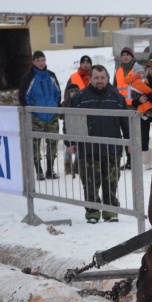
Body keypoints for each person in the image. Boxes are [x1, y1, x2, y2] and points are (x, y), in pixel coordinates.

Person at [64, 65, 130, 224]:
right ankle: (92, 212)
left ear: (107, 79)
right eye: (96, 78)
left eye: (102, 78)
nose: (99, 81)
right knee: (90, 182)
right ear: (90, 79)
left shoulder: (117, 97)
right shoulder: (79, 98)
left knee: (111, 181)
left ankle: (110, 211)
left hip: (112, 148)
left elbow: (126, 122)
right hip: (88, 149)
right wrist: (70, 142)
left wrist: (129, 141)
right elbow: (70, 122)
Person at [19, 50, 61, 180]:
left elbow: (58, 92)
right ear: (33, 62)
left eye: (43, 60)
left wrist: (55, 106)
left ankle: (50, 170)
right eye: (38, 60)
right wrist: (33, 111)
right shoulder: (28, 78)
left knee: (52, 143)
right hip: (37, 117)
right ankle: (39, 171)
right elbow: (23, 97)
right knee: (35, 144)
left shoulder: (51, 75)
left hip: (52, 116)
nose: (41, 63)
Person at [62, 55, 93, 175]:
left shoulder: (94, 76)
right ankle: (68, 166)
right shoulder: (73, 77)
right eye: (83, 62)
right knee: (70, 140)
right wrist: (67, 107)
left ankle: (80, 163)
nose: (85, 64)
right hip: (73, 112)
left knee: (84, 140)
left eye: (88, 62)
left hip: (87, 111)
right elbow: (66, 93)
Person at [132, 59, 152, 170]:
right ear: (148, 70)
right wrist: (139, 100)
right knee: (144, 136)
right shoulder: (142, 81)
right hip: (144, 112)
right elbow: (134, 97)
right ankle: (145, 161)